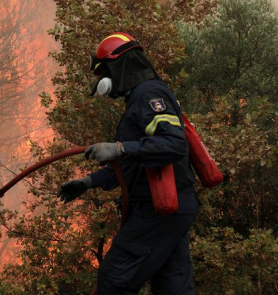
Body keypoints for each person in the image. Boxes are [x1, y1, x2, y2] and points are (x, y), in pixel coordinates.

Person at [58, 32, 198, 294]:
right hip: (170, 208)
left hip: (159, 209)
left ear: (120, 66)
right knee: (172, 287)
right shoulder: (138, 98)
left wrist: (119, 148)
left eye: (104, 71)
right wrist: (88, 182)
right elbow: (131, 166)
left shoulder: (148, 95)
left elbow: (173, 144)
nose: (102, 81)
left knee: (114, 279)